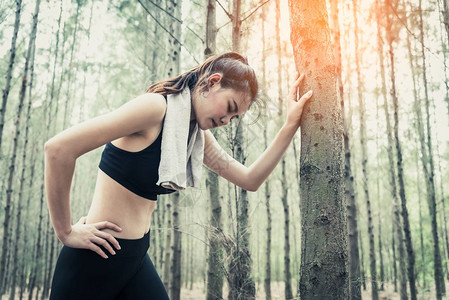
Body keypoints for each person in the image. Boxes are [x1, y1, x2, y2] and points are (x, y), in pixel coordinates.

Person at [44, 52, 313, 299]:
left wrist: (290, 125)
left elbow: (250, 180)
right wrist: (65, 231)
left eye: (234, 118)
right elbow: (59, 149)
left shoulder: (193, 135)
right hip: (94, 259)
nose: (226, 121)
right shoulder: (154, 108)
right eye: (229, 107)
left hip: (135, 258)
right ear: (212, 82)